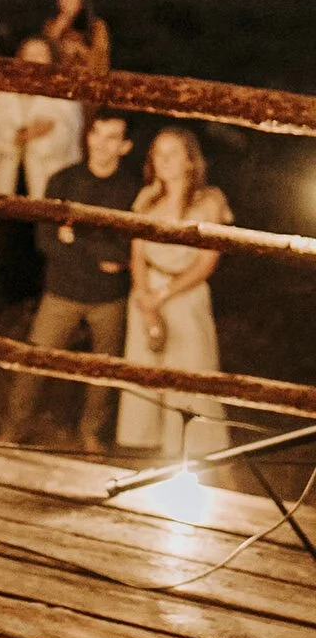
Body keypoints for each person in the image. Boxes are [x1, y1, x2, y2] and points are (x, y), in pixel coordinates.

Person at [0, 111, 137, 452]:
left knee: (102, 370)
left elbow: (122, 253)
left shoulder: (132, 191)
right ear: (87, 136)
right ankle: (13, 429)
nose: (101, 145)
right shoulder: (63, 181)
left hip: (109, 297)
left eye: (112, 137)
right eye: (97, 134)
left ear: (125, 146)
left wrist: (75, 239)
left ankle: (90, 433)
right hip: (62, 290)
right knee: (34, 361)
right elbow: (46, 241)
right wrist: (96, 251)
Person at [118, 126, 232, 458]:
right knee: (147, 372)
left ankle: (193, 452)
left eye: (173, 153)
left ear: (189, 161)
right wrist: (144, 298)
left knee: (190, 370)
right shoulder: (146, 199)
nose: (165, 160)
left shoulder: (208, 201)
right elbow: (136, 254)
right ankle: (147, 450)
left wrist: (164, 294)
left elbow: (206, 263)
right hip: (145, 295)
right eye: (158, 153)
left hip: (185, 296)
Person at [0, 36, 84, 197]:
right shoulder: (6, 91)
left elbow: (70, 137)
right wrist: (18, 136)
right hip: (7, 182)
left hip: (53, 183)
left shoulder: (65, 91)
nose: (34, 60)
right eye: (29, 54)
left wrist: (45, 134)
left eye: (40, 54)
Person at [43, 0, 111, 73]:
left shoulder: (96, 26)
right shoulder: (51, 24)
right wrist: (58, 28)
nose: (65, 1)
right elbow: (43, 54)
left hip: (88, 79)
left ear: (81, 1)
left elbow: (100, 63)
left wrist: (79, 49)